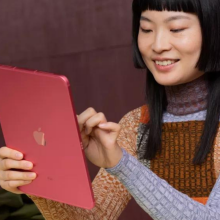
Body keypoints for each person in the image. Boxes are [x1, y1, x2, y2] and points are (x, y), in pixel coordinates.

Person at [1, 0, 220, 219]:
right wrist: (35, 177)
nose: (158, 44)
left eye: (176, 29)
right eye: (146, 29)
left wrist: (121, 164)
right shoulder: (137, 124)